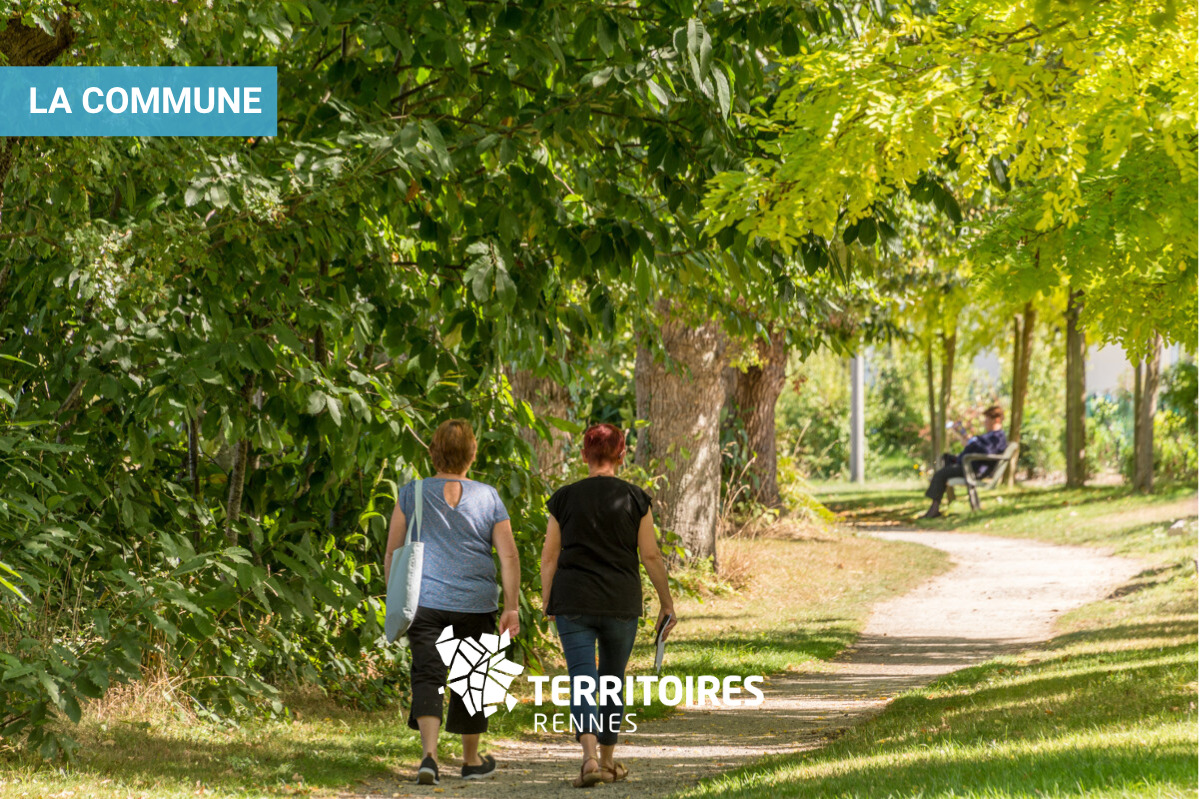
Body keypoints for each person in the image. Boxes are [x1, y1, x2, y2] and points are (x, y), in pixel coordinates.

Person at [540, 423, 677, 788]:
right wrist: (666, 603)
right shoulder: (636, 498)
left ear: (584, 455)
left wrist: (547, 598)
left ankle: (588, 760)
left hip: (573, 601)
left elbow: (550, 556)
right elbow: (650, 555)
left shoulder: (564, 498)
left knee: (582, 678)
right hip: (620, 601)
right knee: (613, 679)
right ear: (622, 455)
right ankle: (608, 761)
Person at [384, 419, 521, 785]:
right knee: (472, 677)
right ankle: (471, 760)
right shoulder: (488, 496)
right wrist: (511, 606)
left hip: (425, 601)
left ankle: (428, 758)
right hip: (476, 604)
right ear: (472, 454)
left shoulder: (411, 493)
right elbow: (508, 556)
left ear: (433, 453)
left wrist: (395, 597)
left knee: (427, 673)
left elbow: (393, 551)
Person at [921, 404, 1007, 519]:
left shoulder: (998, 437)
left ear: (996, 420)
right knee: (945, 459)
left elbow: (988, 452)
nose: (984, 422)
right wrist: (969, 441)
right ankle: (939, 502)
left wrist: (973, 442)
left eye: (986, 419)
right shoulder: (991, 436)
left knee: (941, 474)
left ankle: (933, 509)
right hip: (969, 465)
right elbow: (979, 447)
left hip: (974, 470)